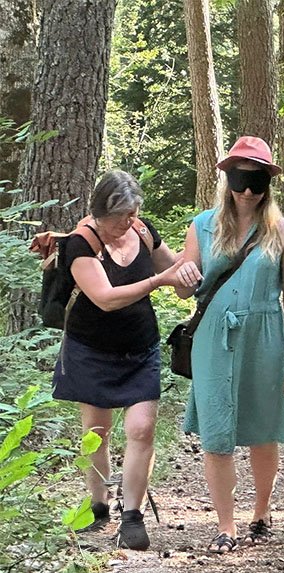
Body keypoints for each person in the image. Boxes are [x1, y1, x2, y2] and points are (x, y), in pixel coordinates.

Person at [174, 136, 284, 554]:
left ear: (268, 184)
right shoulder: (202, 225)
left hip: (264, 336)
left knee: (262, 427)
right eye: (239, 180)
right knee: (216, 430)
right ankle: (225, 526)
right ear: (226, 179)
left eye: (256, 182)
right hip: (214, 334)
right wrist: (182, 276)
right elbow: (183, 286)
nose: (247, 190)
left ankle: (261, 512)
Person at [52, 170, 186, 551]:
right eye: (119, 217)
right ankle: (98, 506)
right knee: (97, 431)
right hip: (91, 348)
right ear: (98, 213)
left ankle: (132, 516)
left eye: (131, 214)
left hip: (140, 347)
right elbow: (106, 297)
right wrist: (159, 282)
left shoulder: (143, 231)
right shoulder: (80, 244)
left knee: (142, 429)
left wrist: (188, 271)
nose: (127, 223)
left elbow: (174, 270)